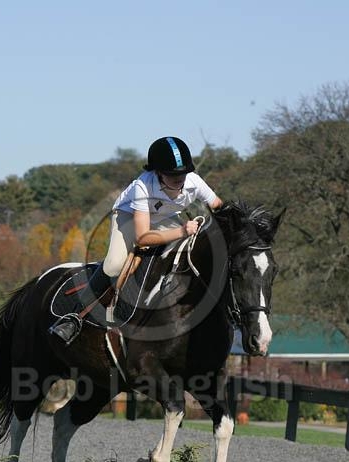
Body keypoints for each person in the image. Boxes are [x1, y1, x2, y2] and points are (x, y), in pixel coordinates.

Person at [50, 136, 223, 344]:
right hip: (128, 218)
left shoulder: (194, 181)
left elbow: (219, 207)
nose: (180, 179)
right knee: (114, 266)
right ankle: (74, 317)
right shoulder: (143, 186)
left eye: (183, 173)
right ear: (158, 173)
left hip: (165, 219)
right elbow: (143, 238)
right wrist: (182, 231)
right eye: (172, 175)